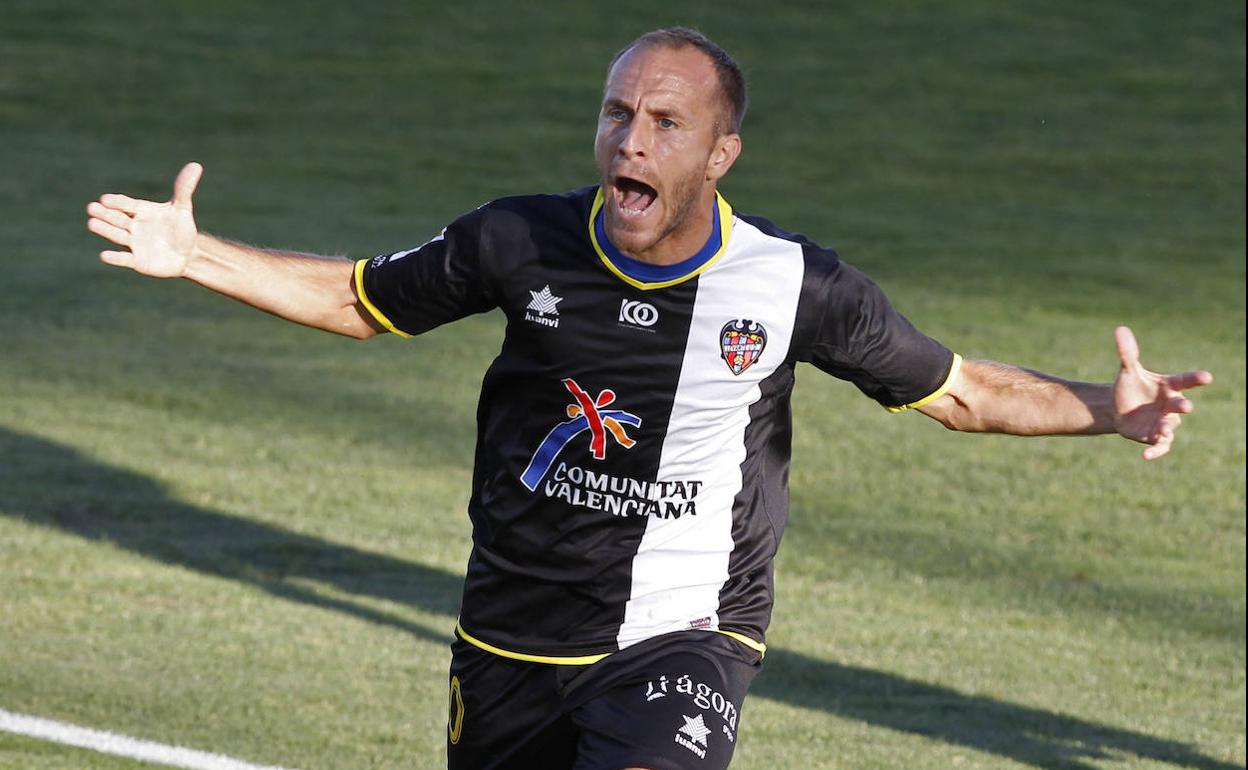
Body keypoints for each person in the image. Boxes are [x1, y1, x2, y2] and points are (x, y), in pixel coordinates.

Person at [86, 26, 1211, 770]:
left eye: (666, 123)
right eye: (619, 112)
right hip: (511, 635)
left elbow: (959, 391)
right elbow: (361, 299)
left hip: (683, 632)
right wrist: (201, 258)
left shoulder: (790, 286)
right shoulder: (518, 239)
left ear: (720, 152)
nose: (631, 138)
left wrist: (1108, 409)